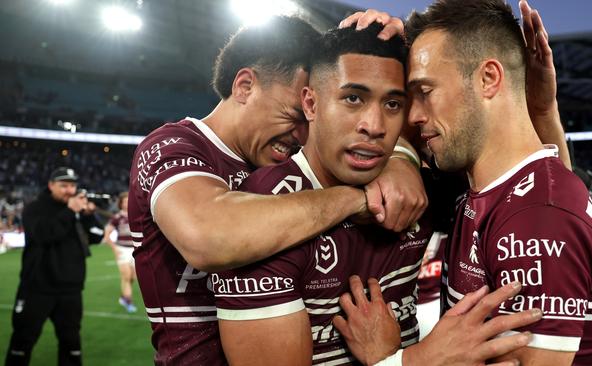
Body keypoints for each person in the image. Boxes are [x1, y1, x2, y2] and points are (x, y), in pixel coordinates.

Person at [212, 23, 542, 366]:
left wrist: (545, 110)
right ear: (310, 103)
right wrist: (407, 361)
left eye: (393, 104)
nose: (374, 125)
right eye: (353, 98)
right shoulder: (264, 212)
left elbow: (544, 201)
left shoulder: (419, 193)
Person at [128, 15, 428, 365]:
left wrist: (400, 160)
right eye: (294, 116)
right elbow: (207, 234)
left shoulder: (272, 159)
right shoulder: (173, 146)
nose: (304, 133)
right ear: (244, 86)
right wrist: (355, 197)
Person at [337, 1, 592, 365]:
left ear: (488, 79)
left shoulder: (538, 220)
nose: (416, 115)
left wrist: (392, 360)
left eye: (425, 91)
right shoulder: (490, 190)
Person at [5, 167, 104, 366]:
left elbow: (96, 236)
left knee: (71, 345)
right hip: (37, 289)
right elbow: (45, 234)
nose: (69, 190)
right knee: (22, 343)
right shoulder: (35, 208)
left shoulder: (76, 209)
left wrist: (87, 215)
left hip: (70, 291)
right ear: (51, 185)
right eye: (63, 185)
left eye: (72, 185)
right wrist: (70, 211)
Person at [102, 192, 137, 313]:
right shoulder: (117, 217)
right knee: (126, 276)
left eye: (129, 201)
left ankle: (123, 297)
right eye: (125, 201)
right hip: (122, 249)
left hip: (135, 250)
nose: (127, 203)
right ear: (120, 203)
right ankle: (128, 301)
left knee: (133, 277)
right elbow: (107, 235)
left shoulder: (137, 215)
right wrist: (115, 249)